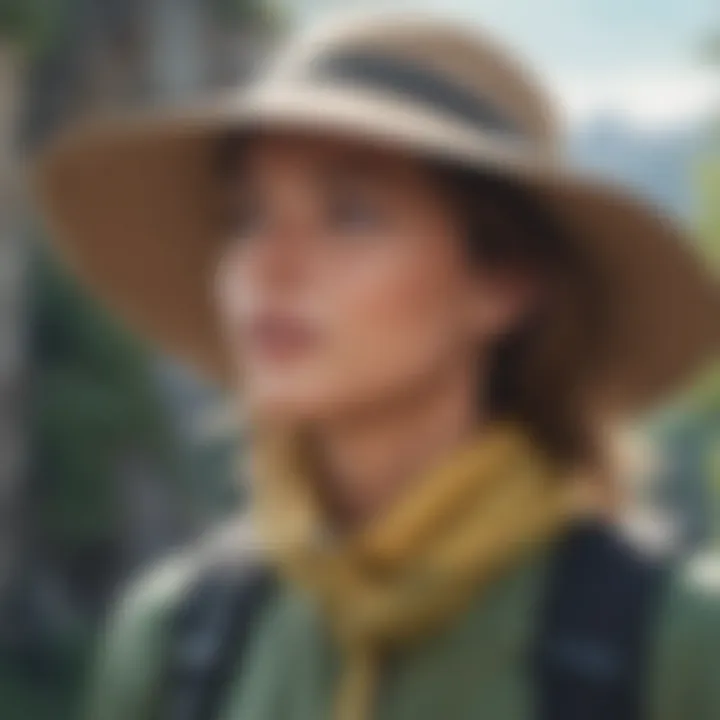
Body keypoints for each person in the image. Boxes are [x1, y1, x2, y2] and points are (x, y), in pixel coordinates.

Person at [34, 11, 720, 720]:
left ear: (503, 282)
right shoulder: (175, 644)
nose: (269, 268)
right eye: (245, 217)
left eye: (350, 215)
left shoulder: (668, 649)